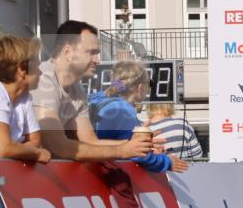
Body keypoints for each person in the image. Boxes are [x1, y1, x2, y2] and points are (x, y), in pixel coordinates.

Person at [33, 20, 153, 161]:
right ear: (68, 52)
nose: (97, 60)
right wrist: (122, 150)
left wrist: (139, 145)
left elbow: (90, 141)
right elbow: (57, 146)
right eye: (92, 53)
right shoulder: (42, 80)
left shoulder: (77, 90)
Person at [88, 60, 188, 173]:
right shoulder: (123, 111)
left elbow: (119, 143)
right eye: (149, 84)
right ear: (140, 88)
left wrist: (147, 147)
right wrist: (167, 162)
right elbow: (136, 153)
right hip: (102, 174)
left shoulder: (95, 99)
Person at [0, 35, 51, 163]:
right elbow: (3, 148)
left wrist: (16, 150)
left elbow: (36, 140)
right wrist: (36, 153)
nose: (41, 73)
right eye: (37, 67)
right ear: (22, 69)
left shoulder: (25, 97)